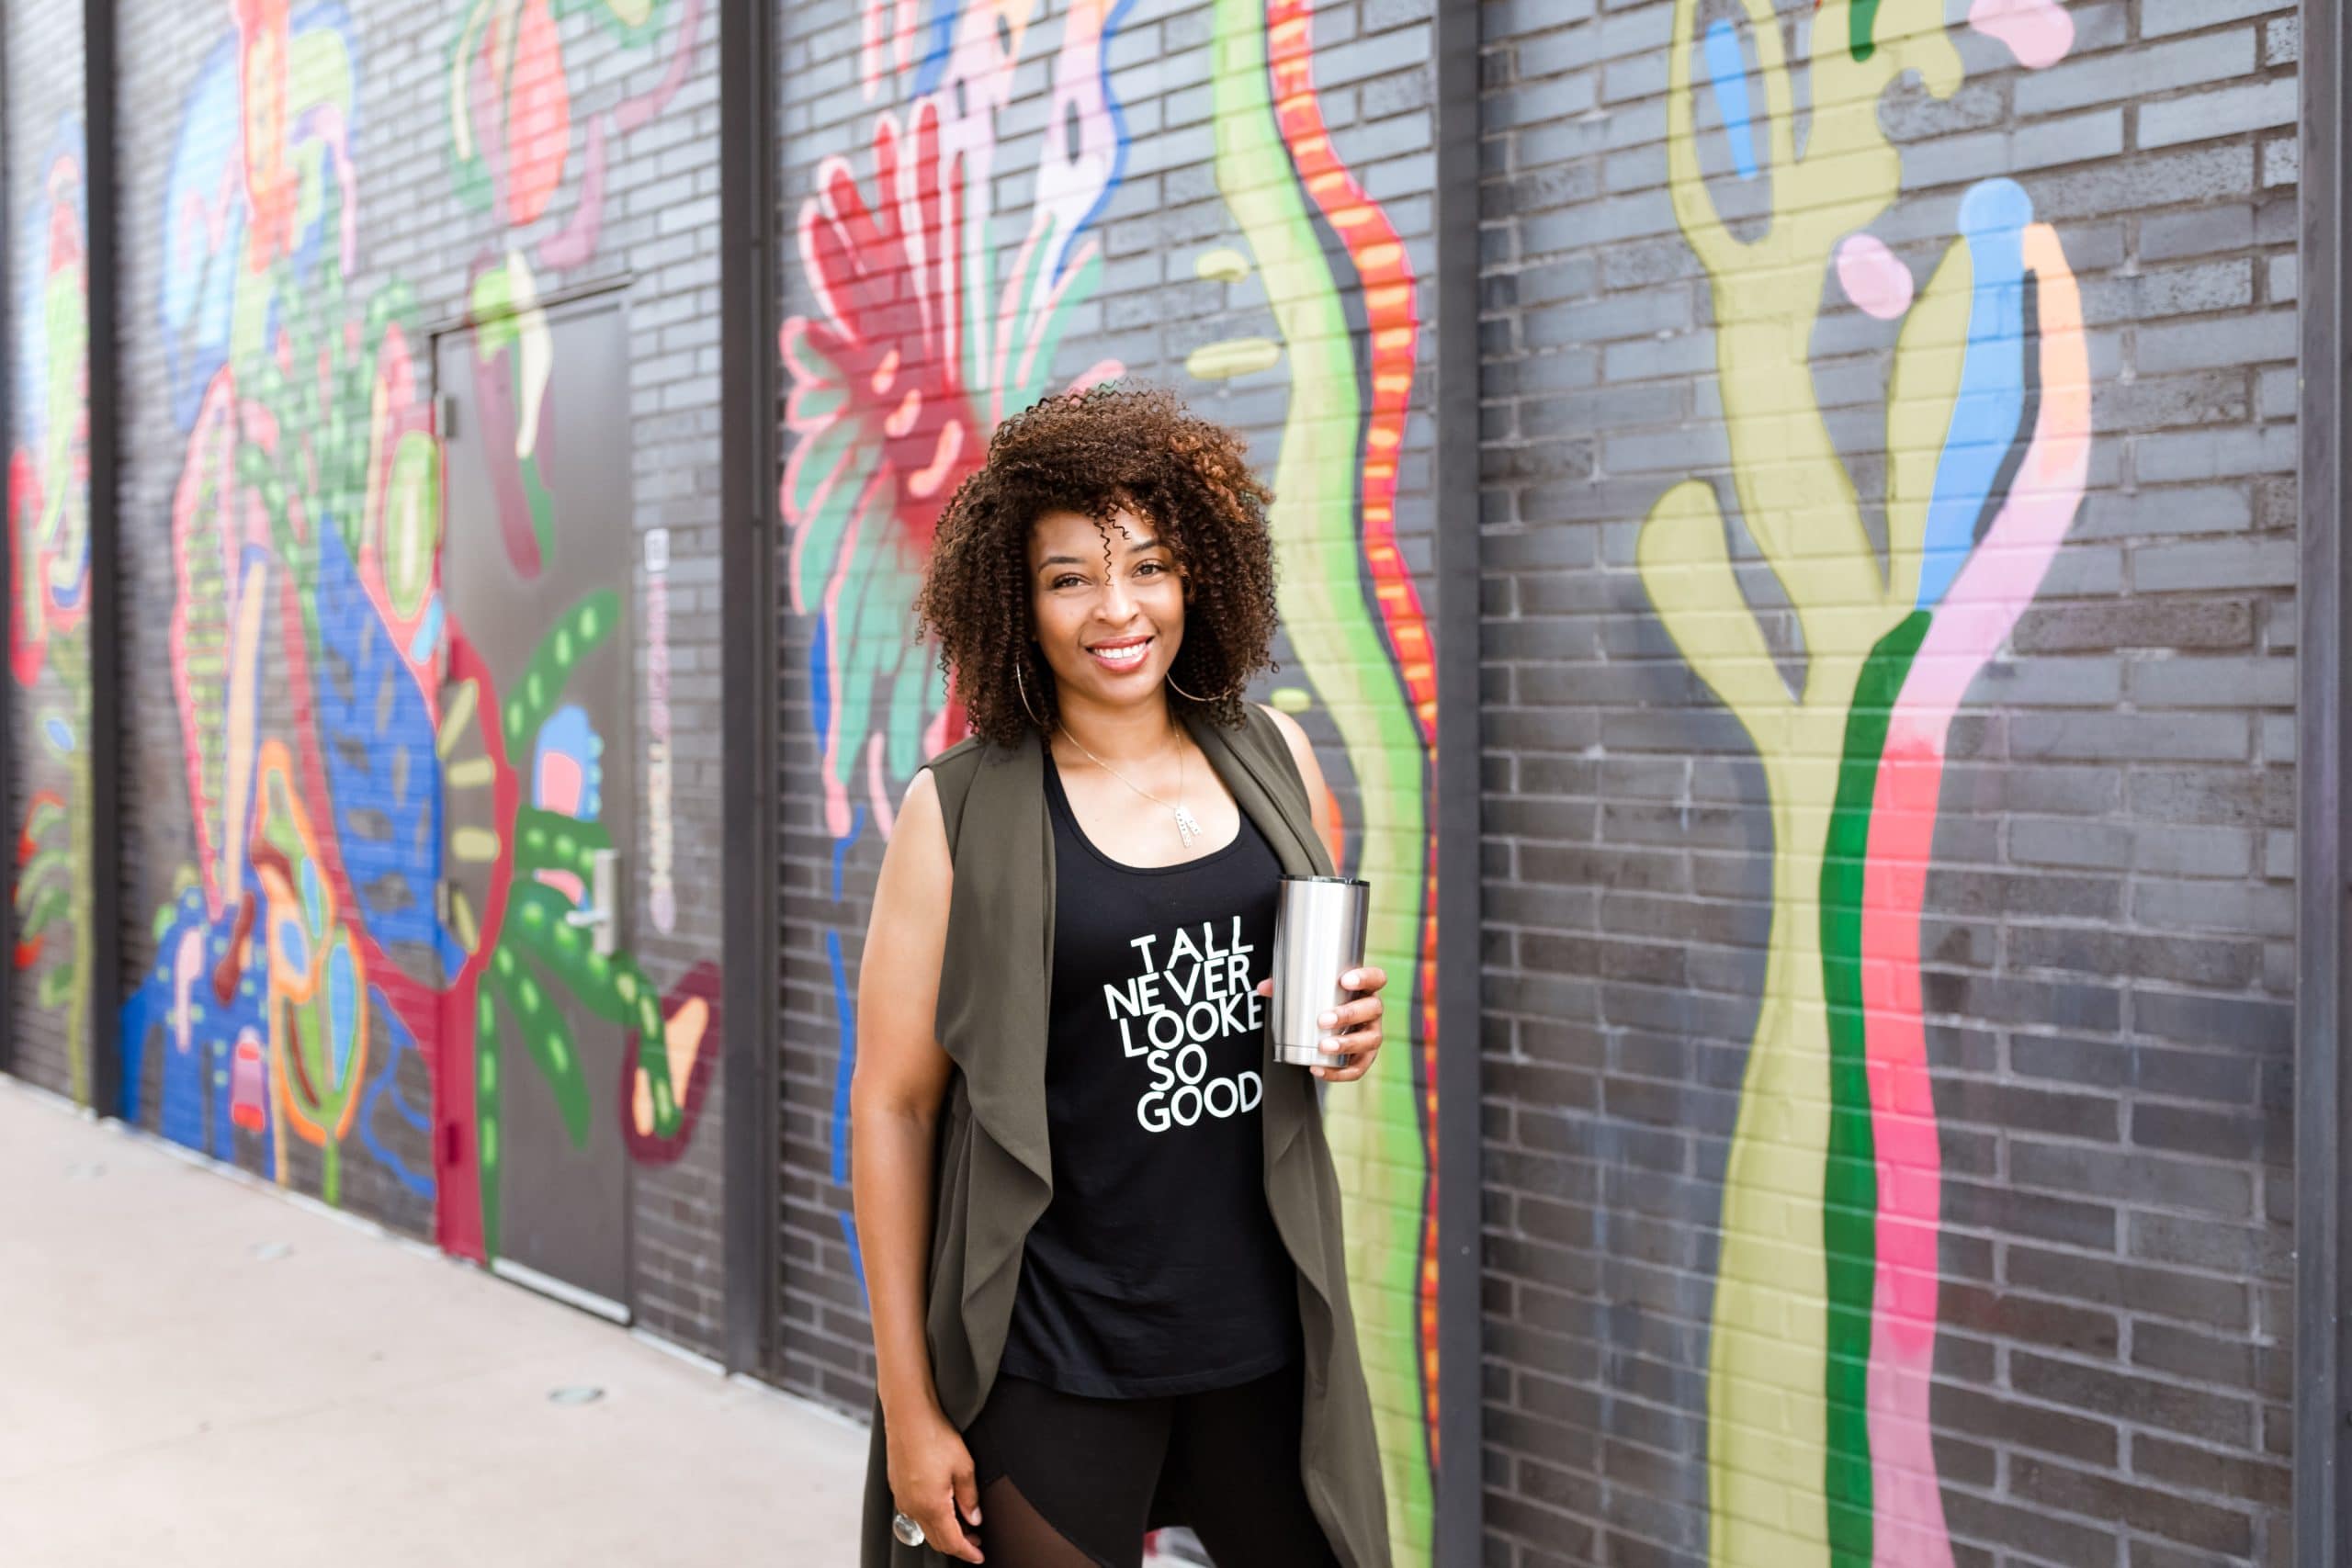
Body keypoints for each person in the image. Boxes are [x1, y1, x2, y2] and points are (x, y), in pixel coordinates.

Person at [850, 385, 1394, 1568]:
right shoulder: (958, 812)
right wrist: (910, 1407)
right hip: (1056, 1353)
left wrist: (1346, 1034)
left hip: (1262, 1336)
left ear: (1197, 574)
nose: (1117, 609)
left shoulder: (1275, 758)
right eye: (1068, 579)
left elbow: (1296, 1019)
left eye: (1146, 565)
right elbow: (894, 1107)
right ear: (1018, 602)